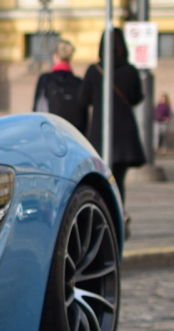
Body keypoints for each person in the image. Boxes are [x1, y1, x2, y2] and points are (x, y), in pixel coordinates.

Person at [82, 29, 145, 202]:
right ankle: (119, 219)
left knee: (102, 181)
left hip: (100, 133)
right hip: (125, 136)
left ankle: (106, 219)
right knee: (119, 182)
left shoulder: (94, 70)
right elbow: (137, 98)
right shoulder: (130, 70)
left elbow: (84, 98)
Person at [32, 39, 88, 134]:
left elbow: (38, 110)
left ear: (55, 56)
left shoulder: (45, 80)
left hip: (52, 134)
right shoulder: (79, 82)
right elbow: (85, 116)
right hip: (74, 135)